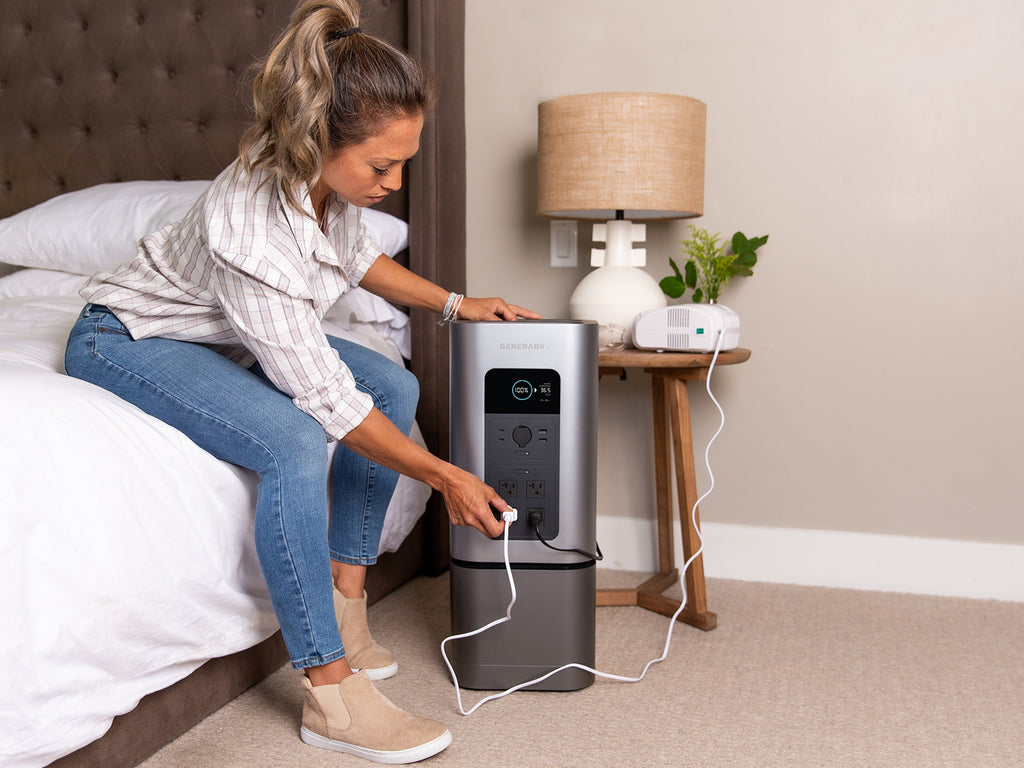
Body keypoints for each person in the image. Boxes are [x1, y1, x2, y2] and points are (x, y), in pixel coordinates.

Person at [64, 0, 538, 763]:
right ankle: (330, 691)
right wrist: (446, 475)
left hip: (218, 337)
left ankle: (347, 598)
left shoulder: (322, 182)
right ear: (319, 139)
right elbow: (327, 407)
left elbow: (357, 261)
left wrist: (456, 303)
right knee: (289, 438)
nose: (393, 182)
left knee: (395, 387)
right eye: (381, 166)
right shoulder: (246, 227)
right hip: (128, 339)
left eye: (403, 164)